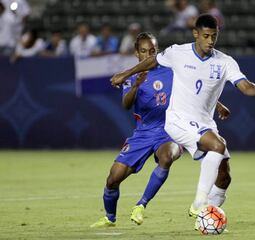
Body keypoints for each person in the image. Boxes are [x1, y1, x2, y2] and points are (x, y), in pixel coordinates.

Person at [110, 14, 255, 221]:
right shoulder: (178, 53)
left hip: (204, 123)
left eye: (214, 36)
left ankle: (207, 217)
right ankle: (199, 204)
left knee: (224, 175)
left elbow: (244, 85)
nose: (210, 41)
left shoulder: (225, 62)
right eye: (206, 36)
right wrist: (125, 74)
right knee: (217, 147)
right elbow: (152, 60)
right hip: (178, 120)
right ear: (196, 34)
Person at [90, 32, 232, 228]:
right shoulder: (133, 75)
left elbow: (197, 92)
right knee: (113, 179)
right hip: (143, 133)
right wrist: (135, 87)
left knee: (167, 157)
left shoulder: (172, 69)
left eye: (152, 51)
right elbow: (125, 104)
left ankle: (141, 205)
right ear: (136, 53)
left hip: (170, 129)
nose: (148, 55)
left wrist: (218, 105)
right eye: (143, 51)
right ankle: (109, 218)